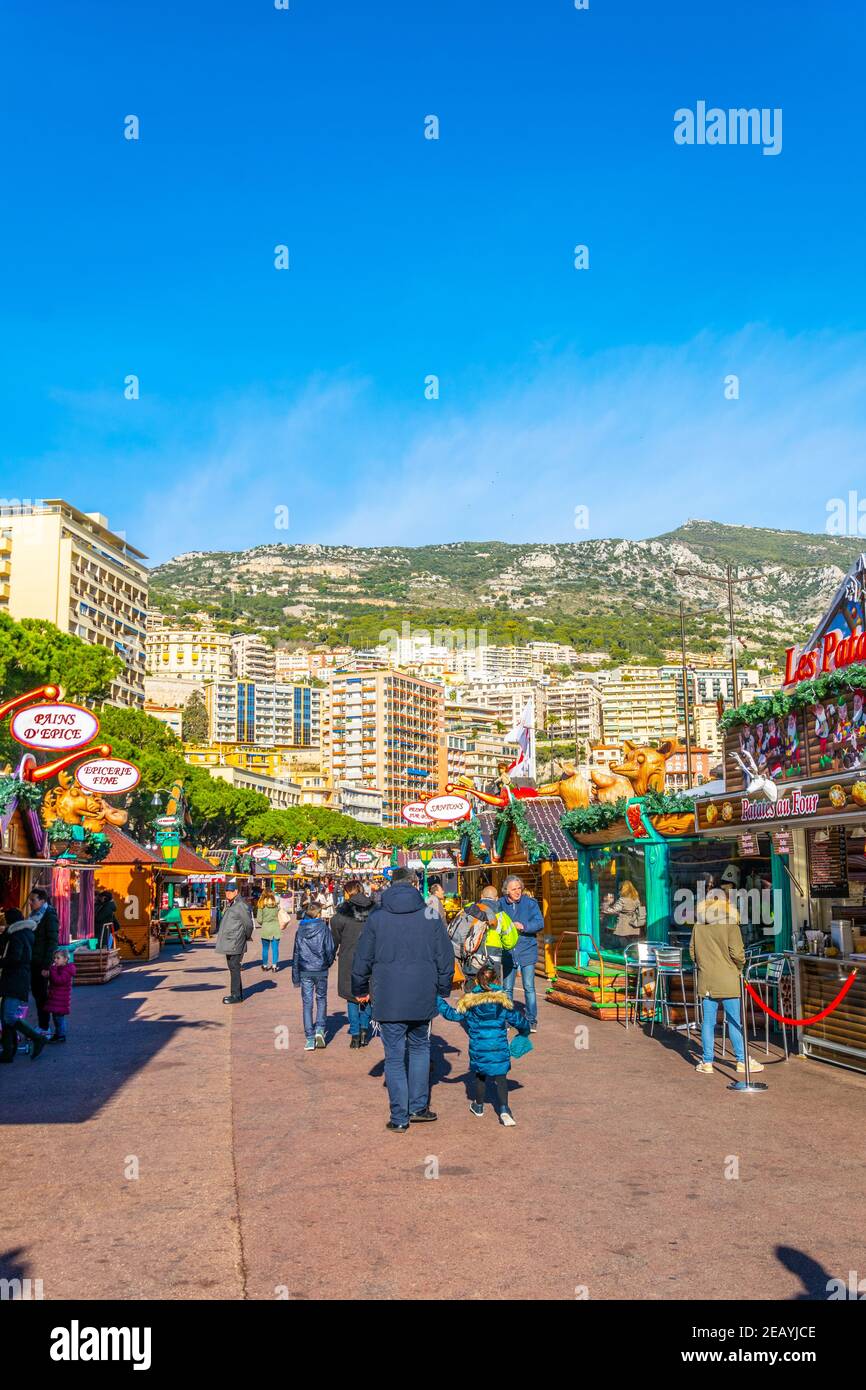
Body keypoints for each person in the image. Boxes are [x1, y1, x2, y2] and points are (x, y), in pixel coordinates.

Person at [351, 867, 454, 1133]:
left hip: (388, 995)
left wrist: (360, 988)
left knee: (394, 1057)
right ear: (414, 884)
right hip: (422, 993)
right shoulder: (430, 914)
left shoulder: (378, 917)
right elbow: (446, 956)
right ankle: (418, 1107)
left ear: (391, 884)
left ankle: (399, 1117)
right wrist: (443, 989)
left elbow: (362, 958)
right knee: (420, 1048)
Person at [436, 961, 530, 1126]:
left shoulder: (469, 1002)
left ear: (478, 981)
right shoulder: (503, 1002)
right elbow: (518, 1020)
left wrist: (437, 999)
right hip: (499, 1046)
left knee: (480, 1075)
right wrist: (525, 1032)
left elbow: (451, 1015)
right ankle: (504, 1110)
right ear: (496, 981)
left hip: (479, 1047)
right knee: (501, 1077)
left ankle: (478, 1106)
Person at [690, 894, 764, 1076]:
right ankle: (741, 1060)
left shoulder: (698, 926)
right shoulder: (731, 926)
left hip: (706, 979)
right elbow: (738, 954)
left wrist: (703, 966)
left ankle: (707, 1062)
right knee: (734, 1021)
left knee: (707, 1022)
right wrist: (738, 967)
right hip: (729, 978)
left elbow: (692, 952)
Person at [330, 878, 376, 1048]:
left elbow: (335, 932)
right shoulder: (374, 909)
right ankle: (365, 1031)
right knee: (368, 995)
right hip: (371, 958)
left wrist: (331, 954)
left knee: (351, 998)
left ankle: (355, 1035)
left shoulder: (342, 912)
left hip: (349, 958)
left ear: (348, 892)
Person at [0, 908, 47, 1062]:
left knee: (9, 1016)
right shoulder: (25, 932)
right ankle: (8, 1053)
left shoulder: (16, 935)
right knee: (5, 1017)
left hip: (15, 979)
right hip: (18, 978)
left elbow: (15, 958)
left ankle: (37, 1038)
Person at [498, 875, 543, 1033]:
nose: (517, 891)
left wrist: (524, 926)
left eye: (519, 888)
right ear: (506, 891)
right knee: (507, 988)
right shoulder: (500, 904)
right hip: (508, 952)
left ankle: (531, 1020)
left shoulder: (530, 903)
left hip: (527, 950)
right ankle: (508, 1019)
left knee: (529, 987)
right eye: (513, 889)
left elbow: (540, 923)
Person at [292, 900, 337, 1050]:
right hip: (320, 969)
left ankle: (310, 1037)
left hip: (305, 969)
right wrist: (327, 963)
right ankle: (320, 1029)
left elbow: (296, 953)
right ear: (318, 913)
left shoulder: (300, 930)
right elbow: (330, 948)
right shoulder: (323, 928)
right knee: (321, 998)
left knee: (307, 1003)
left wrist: (295, 976)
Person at [214, 881, 254, 1004]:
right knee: (233, 967)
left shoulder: (240, 905)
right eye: (227, 891)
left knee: (234, 967)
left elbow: (248, 924)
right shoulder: (233, 904)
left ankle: (236, 995)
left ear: (236, 892)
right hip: (231, 941)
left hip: (235, 941)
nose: (228, 893)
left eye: (231, 891)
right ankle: (238, 993)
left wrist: (245, 936)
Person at [27, 888, 59, 1033]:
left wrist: (47, 965)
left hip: (41, 963)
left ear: (42, 900)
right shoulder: (34, 915)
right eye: (30, 899)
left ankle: (44, 1027)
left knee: (41, 995)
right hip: (33, 960)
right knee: (37, 994)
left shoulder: (49, 915)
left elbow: (52, 942)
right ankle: (42, 1025)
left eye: (33, 900)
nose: (30, 903)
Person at [45, 948, 76, 1042]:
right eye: (54, 958)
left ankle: (61, 1035)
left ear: (65, 959)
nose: (55, 960)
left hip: (61, 1000)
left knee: (59, 1019)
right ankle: (58, 1034)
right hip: (56, 999)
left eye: (58, 958)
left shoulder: (67, 970)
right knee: (56, 1018)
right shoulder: (60, 968)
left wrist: (52, 969)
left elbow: (58, 981)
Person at [256, 889, 283, 973]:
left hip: (265, 929)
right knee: (275, 948)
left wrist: (264, 922)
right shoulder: (276, 904)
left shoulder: (261, 905)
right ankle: (274, 966)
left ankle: (264, 965)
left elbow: (259, 920)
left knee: (265, 949)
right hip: (275, 928)